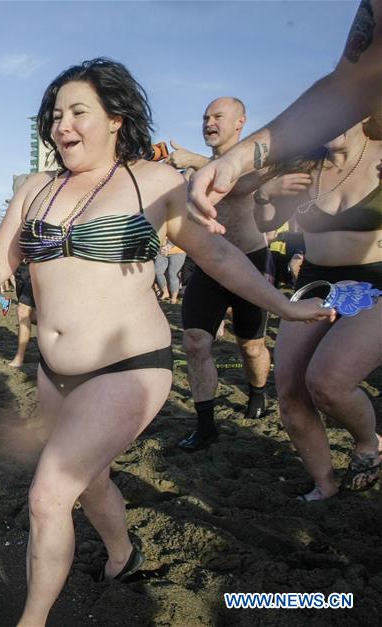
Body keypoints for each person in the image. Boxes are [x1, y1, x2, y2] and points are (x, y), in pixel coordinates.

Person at [0, 58, 333, 626]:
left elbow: (218, 256)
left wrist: (286, 306)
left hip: (129, 366)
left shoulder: (155, 182)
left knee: (48, 497)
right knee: (89, 482)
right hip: (54, 371)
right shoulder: (36, 189)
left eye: (78, 112)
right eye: (55, 114)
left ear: (115, 118)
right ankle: (123, 553)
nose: (62, 124)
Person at [253, 119, 382, 500]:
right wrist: (265, 194)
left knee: (328, 384)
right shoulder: (306, 168)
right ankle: (324, 485)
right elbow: (267, 223)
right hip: (316, 283)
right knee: (291, 394)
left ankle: (367, 443)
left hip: (375, 283)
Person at [189, 0, 382, 231]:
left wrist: (194, 160)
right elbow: (347, 87)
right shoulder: (306, 166)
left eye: (217, 117)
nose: (333, 126)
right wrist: (236, 163)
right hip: (311, 267)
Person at [171, 98, 274, 451]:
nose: (209, 122)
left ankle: (257, 393)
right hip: (208, 263)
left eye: (217, 116)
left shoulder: (252, 156)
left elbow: (242, 185)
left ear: (240, 122)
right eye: (204, 117)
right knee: (196, 342)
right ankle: (205, 425)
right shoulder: (194, 171)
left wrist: (194, 162)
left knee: (250, 346)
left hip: (250, 261)